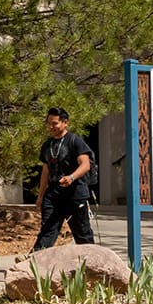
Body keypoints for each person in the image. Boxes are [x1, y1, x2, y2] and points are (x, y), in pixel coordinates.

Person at [32, 106, 95, 251]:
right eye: (49, 123)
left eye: (54, 123)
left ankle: (91, 263)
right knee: (47, 229)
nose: (51, 127)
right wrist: (40, 195)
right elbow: (46, 171)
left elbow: (85, 165)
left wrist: (71, 177)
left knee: (82, 234)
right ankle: (34, 260)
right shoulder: (47, 145)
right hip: (53, 194)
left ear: (65, 123)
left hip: (75, 193)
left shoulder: (75, 141)